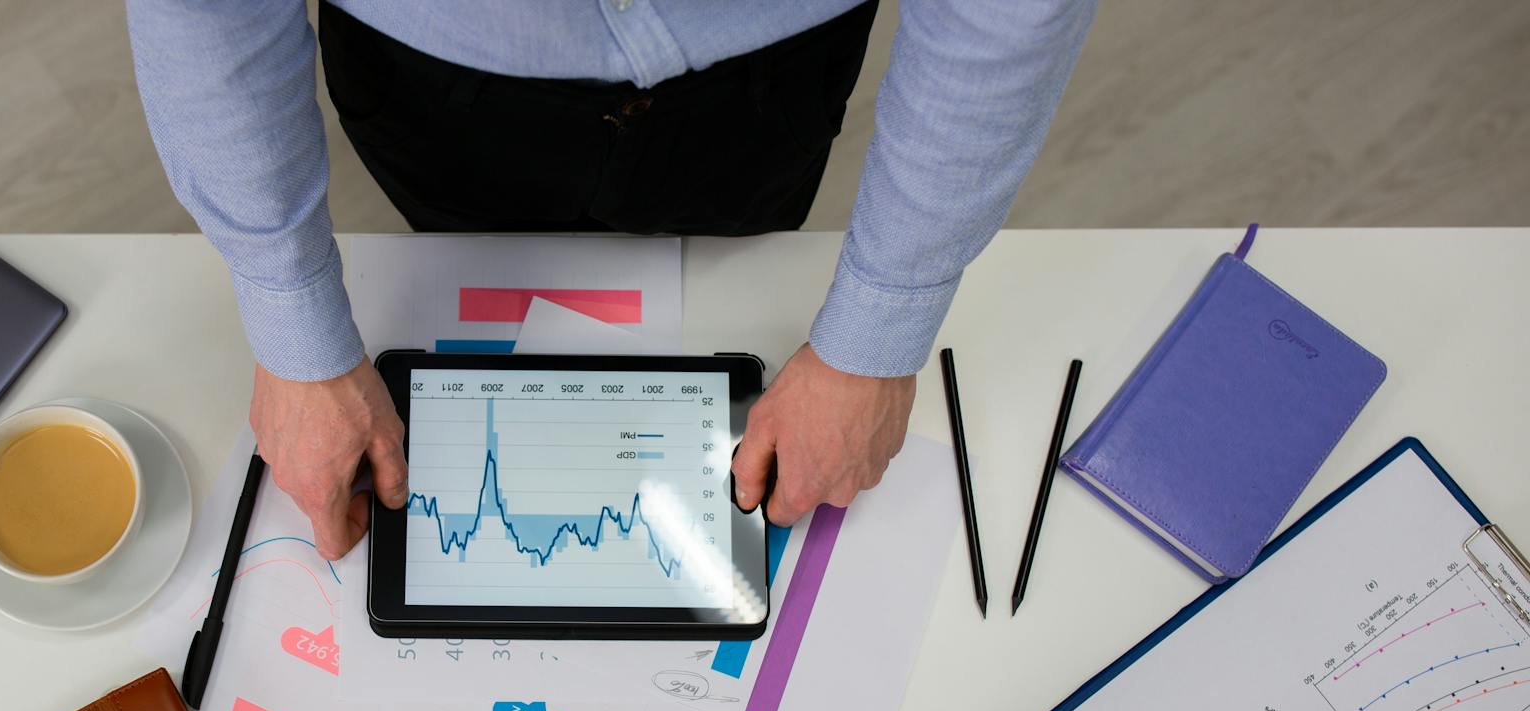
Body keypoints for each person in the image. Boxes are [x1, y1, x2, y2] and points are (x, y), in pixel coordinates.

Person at [128, 0, 1096, 559]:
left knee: (739, 246)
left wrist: (875, 338)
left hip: (763, 76)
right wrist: (292, 326)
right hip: (435, 77)